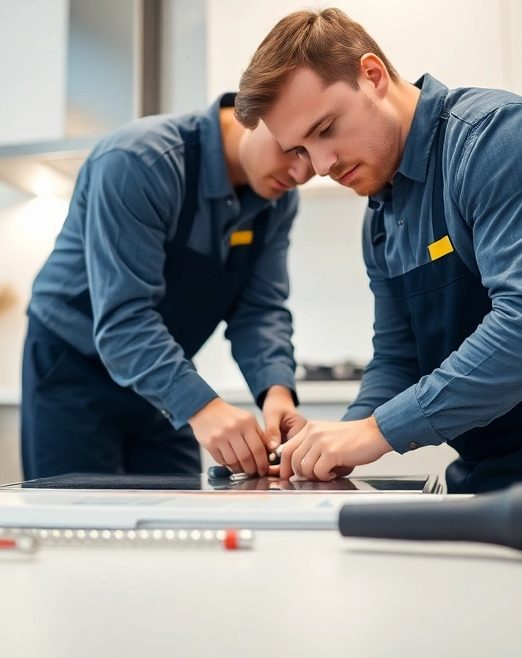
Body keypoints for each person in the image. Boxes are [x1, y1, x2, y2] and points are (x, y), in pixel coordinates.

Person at [234, 8, 522, 492]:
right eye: (300, 149)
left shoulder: (503, 141)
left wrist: (375, 432)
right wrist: (334, 439)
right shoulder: (382, 212)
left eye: (325, 129)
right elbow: (400, 357)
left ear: (373, 75)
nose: (320, 164)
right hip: (485, 464)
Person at [22, 94, 314, 479]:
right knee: (76, 527)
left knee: (179, 522)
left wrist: (276, 392)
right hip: (73, 370)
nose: (301, 173)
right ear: (253, 112)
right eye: (293, 149)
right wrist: (202, 407)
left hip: (162, 373)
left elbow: (259, 309)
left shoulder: (278, 201)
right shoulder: (138, 161)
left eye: (315, 156)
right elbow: (124, 318)